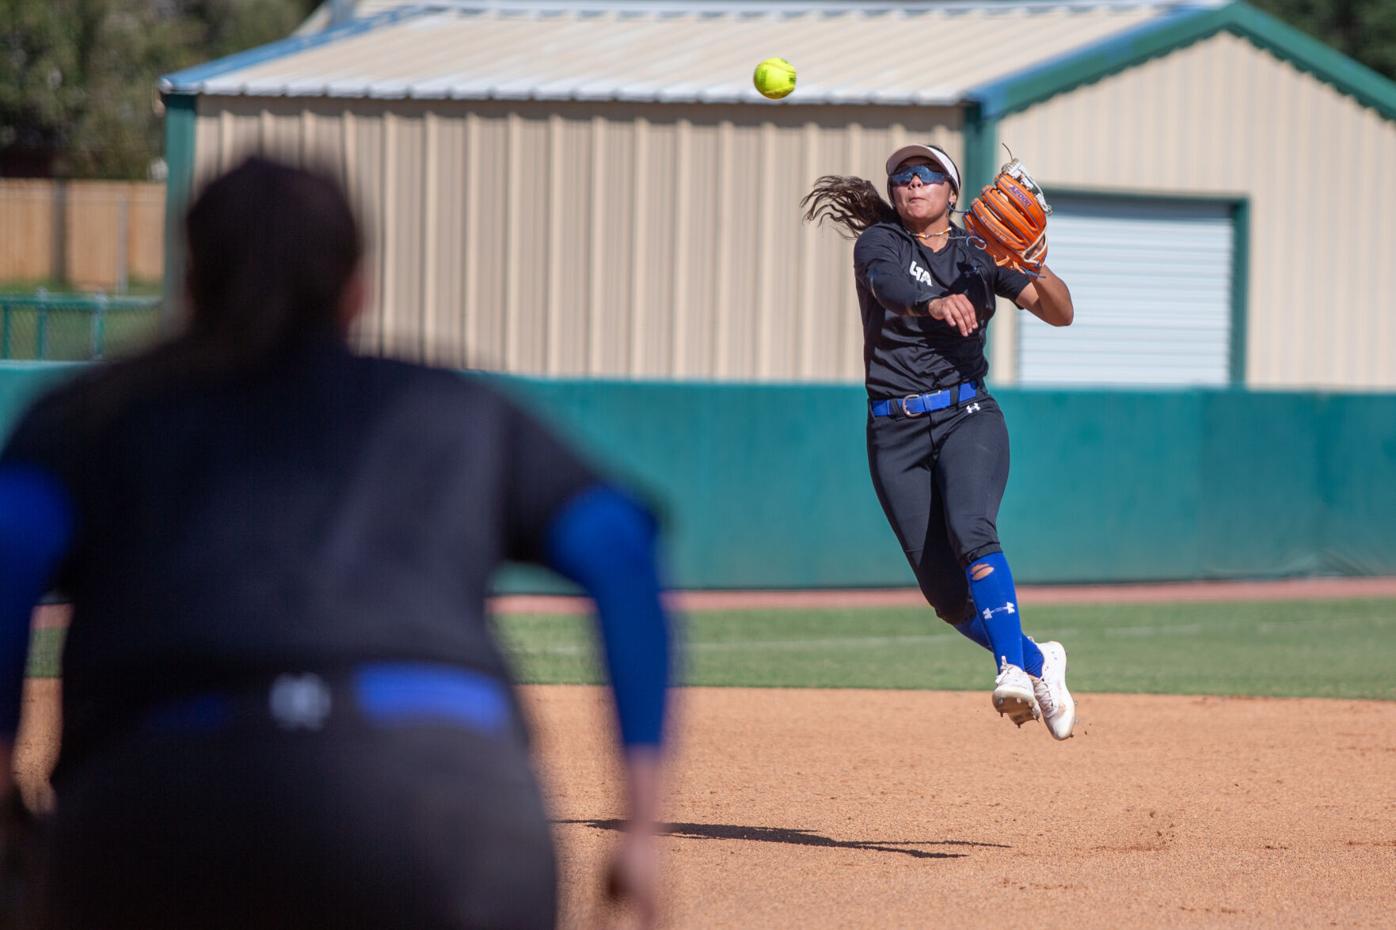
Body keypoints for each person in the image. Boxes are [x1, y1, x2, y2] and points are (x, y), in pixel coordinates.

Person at [0, 156, 673, 930]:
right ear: (358, 288)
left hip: (164, 803)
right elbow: (620, 548)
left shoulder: (91, 414)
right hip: (445, 813)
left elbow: (11, 547)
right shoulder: (449, 406)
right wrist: (643, 830)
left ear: (190, 286)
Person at [801, 143, 1077, 740]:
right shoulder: (880, 243)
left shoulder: (982, 253)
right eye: (902, 175)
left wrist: (1035, 261)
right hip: (893, 430)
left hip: (966, 415)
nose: (912, 182)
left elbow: (1060, 314)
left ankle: (1009, 668)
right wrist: (934, 300)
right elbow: (889, 288)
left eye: (927, 174)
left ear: (953, 193)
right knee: (947, 599)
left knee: (972, 531)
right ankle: (1038, 659)